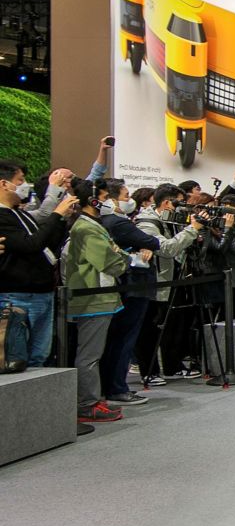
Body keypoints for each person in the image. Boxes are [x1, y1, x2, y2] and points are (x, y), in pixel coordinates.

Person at [64, 179, 134, 423]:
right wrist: (124, 259)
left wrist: (120, 256)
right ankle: (88, 403)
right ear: (93, 200)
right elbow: (109, 261)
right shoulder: (87, 228)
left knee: (93, 352)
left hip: (98, 296)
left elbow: (114, 254)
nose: (108, 203)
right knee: (89, 354)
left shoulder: (90, 226)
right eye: (104, 198)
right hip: (92, 297)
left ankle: (91, 399)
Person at [0, 160, 76, 367]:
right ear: (4, 184)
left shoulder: (21, 214)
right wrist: (56, 214)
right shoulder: (3, 217)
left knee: (39, 357)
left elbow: (46, 243)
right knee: (17, 357)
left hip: (42, 292)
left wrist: (61, 220)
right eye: (20, 180)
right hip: (17, 296)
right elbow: (31, 244)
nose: (25, 185)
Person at [133, 185, 204, 384]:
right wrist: (192, 229)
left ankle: (173, 366)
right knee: (150, 329)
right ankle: (149, 371)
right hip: (155, 282)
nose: (182, 208)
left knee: (174, 325)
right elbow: (166, 249)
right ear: (166, 203)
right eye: (179, 203)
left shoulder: (170, 219)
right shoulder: (146, 222)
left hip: (173, 278)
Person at [98, 179, 160, 407]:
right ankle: (116, 387)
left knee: (119, 338)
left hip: (126, 285)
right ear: (111, 199)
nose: (129, 200)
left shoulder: (109, 222)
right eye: (126, 196)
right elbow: (151, 241)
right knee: (124, 339)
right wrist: (144, 244)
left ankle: (112, 386)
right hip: (132, 286)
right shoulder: (118, 222)